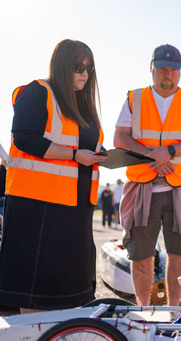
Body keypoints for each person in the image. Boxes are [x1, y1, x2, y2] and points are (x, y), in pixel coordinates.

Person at [0, 39, 107, 313]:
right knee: (34, 288)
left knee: (70, 287)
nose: (84, 73)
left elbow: (80, 145)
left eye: (88, 68)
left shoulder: (83, 107)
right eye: (77, 67)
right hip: (37, 206)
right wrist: (74, 154)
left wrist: (100, 154)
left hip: (76, 206)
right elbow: (24, 138)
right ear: (61, 66)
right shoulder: (37, 92)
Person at [114, 44, 181, 306]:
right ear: (151, 68)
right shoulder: (134, 98)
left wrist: (168, 151)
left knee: (178, 255)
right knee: (140, 256)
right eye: (162, 69)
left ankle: (173, 311)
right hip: (142, 188)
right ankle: (144, 311)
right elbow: (120, 137)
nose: (168, 74)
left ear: (180, 72)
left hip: (180, 187)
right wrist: (153, 155)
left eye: (174, 70)